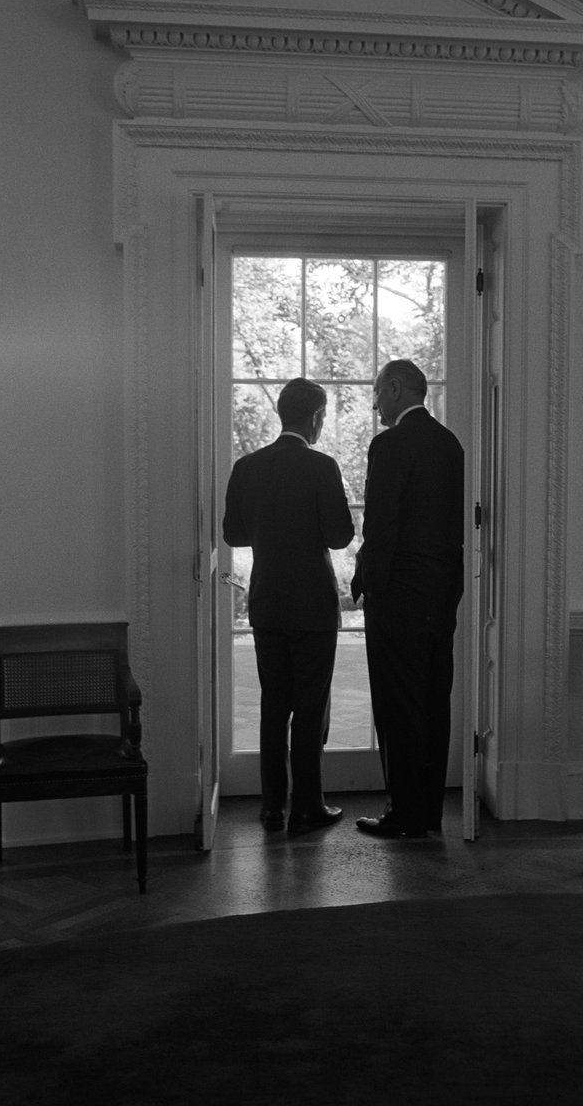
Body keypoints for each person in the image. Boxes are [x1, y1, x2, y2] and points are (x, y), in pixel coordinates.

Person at [223, 378, 354, 834]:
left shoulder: (246, 467)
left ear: (282, 413)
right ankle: (308, 805)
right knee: (311, 706)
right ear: (316, 417)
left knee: (274, 703)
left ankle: (271, 806)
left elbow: (234, 535)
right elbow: (340, 536)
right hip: (313, 605)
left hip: (267, 601)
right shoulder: (322, 468)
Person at [351, 359, 464, 838]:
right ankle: (429, 813)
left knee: (398, 706)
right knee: (434, 702)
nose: (375, 403)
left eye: (377, 392)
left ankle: (403, 815)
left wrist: (365, 582)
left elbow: (381, 525)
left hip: (398, 594)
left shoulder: (391, 444)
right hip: (443, 592)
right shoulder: (450, 444)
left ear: (396, 389)